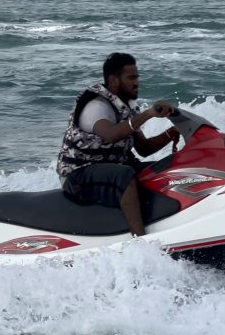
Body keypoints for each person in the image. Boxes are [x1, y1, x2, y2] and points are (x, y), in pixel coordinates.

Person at [56, 53, 180, 236]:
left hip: (110, 167)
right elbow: (112, 135)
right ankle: (140, 242)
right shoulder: (96, 106)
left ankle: (170, 223)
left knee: (158, 170)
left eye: (137, 77)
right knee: (124, 176)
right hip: (78, 175)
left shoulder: (125, 106)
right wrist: (149, 114)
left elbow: (143, 149)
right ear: (114, 80)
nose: (137, 82)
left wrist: (173, 132)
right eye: (131, 77)